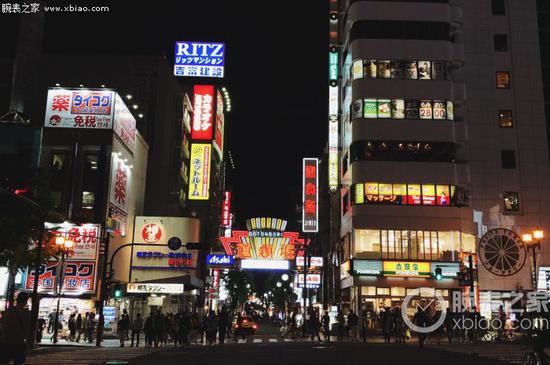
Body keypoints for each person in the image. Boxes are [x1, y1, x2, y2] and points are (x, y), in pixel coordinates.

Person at [0, 292, 31, 365]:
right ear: (25, 301)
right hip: (19, 342)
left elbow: (3, 325)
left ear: (17, 300)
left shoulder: (8, 311)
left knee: (4, 361)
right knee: (18, 362)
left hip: (6, 341)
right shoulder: (26, 313)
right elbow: (27, 328)